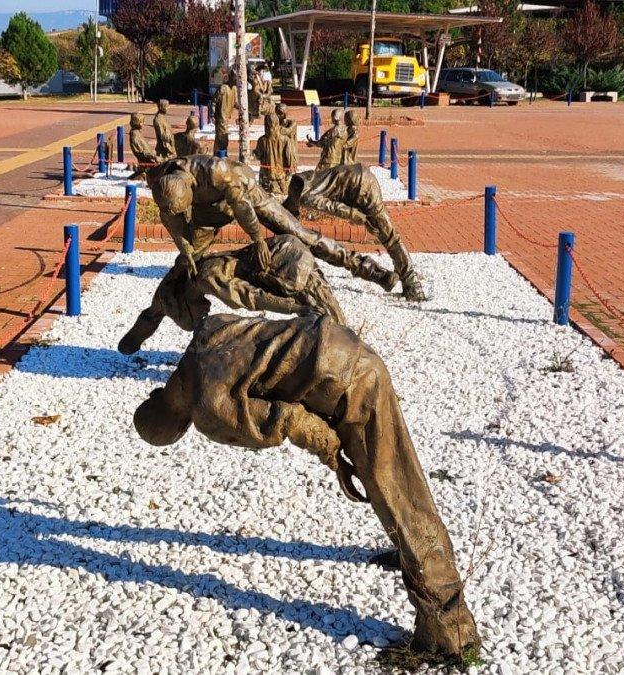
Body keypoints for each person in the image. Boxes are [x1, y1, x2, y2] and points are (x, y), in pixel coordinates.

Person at [133, 312, 481, 661]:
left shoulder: (207, 410)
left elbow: (290, 421)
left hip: (349, 380)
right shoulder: (201, 341)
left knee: (399, 492)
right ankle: (410, 555)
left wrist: (336, 459)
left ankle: (450, 630)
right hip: (340, 345)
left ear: (177, 426)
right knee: (391, 481)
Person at [145, 154, 398, 292]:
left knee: (302, 235)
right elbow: (169, 216)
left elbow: (242, 207)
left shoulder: (217, 172)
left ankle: (371, 270)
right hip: (207, 215)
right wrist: (184, 246)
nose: (180, 213)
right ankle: (152, 317)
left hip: (248, 196)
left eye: (183, 207)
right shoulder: (162, 182)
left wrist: (257, 240)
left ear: (191, 186)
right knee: (186, 267)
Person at [117, 234, 344, 355]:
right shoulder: (182, 285)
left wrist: (296, 308)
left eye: (199, 312)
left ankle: (338, 341)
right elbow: (152, 313)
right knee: (317, 308)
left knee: (317, 307)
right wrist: (131, 342)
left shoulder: (205, 278)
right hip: (281, 255)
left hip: (282, 257)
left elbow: (251, 295)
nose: (205, 311)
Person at [285, 164, 428, 301]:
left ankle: (413, 285)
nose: (298, 215)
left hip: (361, 188)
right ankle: (402, 276)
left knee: (390, 238)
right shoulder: (303, 179)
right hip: (359, 177)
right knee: (382, 232)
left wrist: (354, 214)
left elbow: (331, 206)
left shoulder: (304, 196)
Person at [252, 112, 293, 195]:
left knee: (265, 196)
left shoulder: (262, 140)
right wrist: (289, 169)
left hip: (266, 174)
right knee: (283, 195)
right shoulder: (285, 139)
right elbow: (289, 157)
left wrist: (251, 154)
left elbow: (258, 155)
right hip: (281, 174)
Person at [127, 112, 160, 179]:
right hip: (146, 161)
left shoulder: (137, 132)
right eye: (142, 122)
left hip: (148, 158)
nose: (143, 124)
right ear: (136, 122)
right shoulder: (135, 135)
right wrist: (153, 156)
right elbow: (140, 151)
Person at [212, 71, 236, 156]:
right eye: (235, 79)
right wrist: (212, 115)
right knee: (222, 138)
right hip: (221, 118)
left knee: (221, 138)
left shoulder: (234, 89)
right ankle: (220, 155)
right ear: (231, 78)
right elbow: (214, 102)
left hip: (226, 118)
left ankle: (221, 154)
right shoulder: (223, 88)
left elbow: (235, 103)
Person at [275, 102, 299, 174]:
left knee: (289, 173)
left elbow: (288, 131)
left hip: (290, 152)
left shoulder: (292, 123)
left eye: (284, 113)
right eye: (280, 113)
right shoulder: (275, 124)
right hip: (279, 153)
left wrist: (276, 128)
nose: (284, 115)